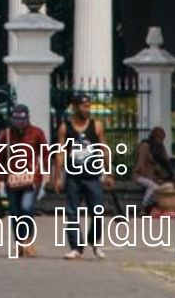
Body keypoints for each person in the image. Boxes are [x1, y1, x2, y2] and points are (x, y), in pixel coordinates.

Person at [54, 93, 112, 260]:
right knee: (72, 212)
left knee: (97, 211)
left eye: (89, 106)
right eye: (84, 106)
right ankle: (76, 248)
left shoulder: (96, 126)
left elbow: (103, 149)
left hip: (93, 176)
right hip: (73, 177)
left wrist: (108, 172)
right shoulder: (65, 128)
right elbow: (60, 152)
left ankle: (94, 241)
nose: (87, 110)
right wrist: (57, 177)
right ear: (74, 107)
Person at [0, 103, 48, 258]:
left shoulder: (37, 133)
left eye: (21, 120)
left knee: (26, 207)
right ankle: (19, 243)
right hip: (12, 179)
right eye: (16, 120)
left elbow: (45, 154)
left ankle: (28, 240)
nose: (19, 124)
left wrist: (46, 172)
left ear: (27, 119)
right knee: (15, 212)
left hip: (32, 179)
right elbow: (0, 158)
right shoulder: (7, 135)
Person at [134, 126, 175, 208]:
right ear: (154, 137)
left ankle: (156, 205)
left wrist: (171, 177)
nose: (160, 141)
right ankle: (144, 206)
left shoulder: (160, 148)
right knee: (154, 186)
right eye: (159, 138)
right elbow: (140, 166)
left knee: (166, 186)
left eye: (162, 139)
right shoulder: (145, 146)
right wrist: (152, 178)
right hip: (141, 175)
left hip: (153, 176)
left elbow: (166, 162)